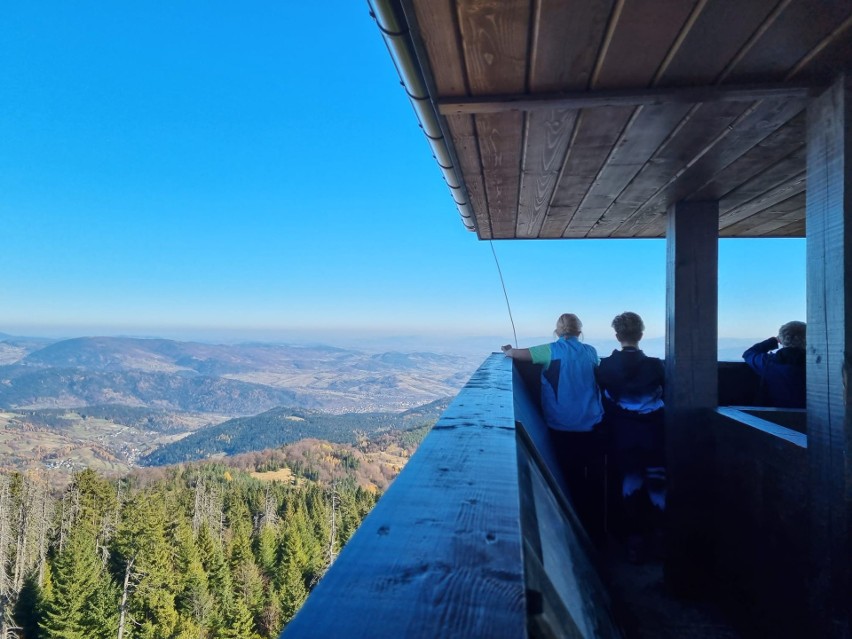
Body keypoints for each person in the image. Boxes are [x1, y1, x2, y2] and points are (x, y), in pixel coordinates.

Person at [502, 313, 604, 539]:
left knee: (571, 481)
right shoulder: (591, 352)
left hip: (562, 427)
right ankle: (599, 532)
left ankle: (579, 533)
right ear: (579, 331)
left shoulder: (549, 350)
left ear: (558, 331)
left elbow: (518, 355)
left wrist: (508, 350)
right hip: (593, 425)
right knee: (596, 482)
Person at [595, 312, 665, 563]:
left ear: (617, 336)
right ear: (641, 334)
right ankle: (659, 537)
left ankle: (632, 541)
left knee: (629, 481)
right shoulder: (656, 366)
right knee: (657, 481)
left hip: (622, 435)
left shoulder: (606, 367)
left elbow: (605, 398)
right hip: (655, 432)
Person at [742, 321, 806, 408]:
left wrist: (774, 340)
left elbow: (748, 353)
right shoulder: (818, 364)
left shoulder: (768, 363)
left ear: (781, 339)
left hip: (776, 416)